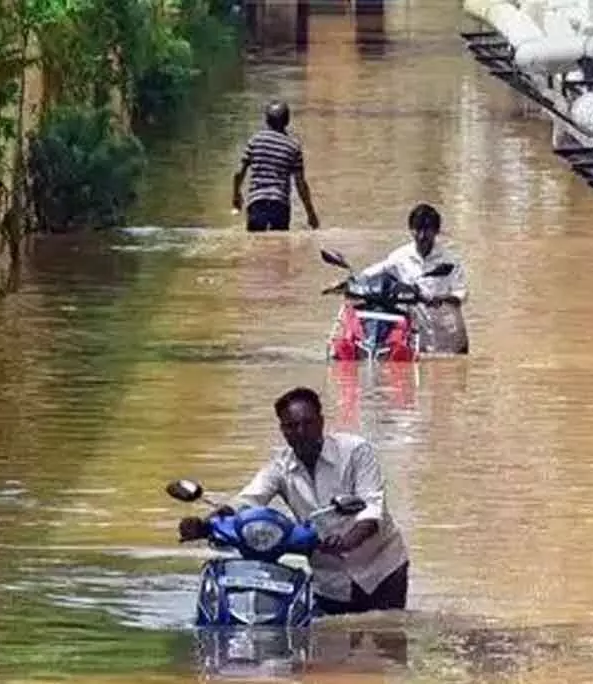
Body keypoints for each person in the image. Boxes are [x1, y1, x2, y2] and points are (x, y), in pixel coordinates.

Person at [181, 386, 409, 615]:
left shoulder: (356, 451)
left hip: (381, 569)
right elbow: (247, 501)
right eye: (291, 426)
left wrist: (348, 541)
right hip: (329, 578)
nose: (301, 432)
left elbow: (371, 507)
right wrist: (205, 525)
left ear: (321, 422)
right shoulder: (280, 468)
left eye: (307, 423)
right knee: (329, 645)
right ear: (282, 430)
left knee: (386, 637)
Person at [356, 202, 469, 354]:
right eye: (417, 229)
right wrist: (348, 282)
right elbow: (372, 273)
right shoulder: (400, 257)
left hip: (450, 336)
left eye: (427, 230)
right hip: (418, 338)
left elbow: (461, 293)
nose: (422, 236)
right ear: (410, 230)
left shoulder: (450, 260)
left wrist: (440, 298)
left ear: (436, 231)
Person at [232, 100, 320, 232]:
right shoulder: (293, 146)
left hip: (257, 202)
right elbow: (300, 184)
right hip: (280, 205)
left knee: (255, 245)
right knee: (279, 247)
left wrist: (236, 195)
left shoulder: (255, 140)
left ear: (266, 120)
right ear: (287, 121)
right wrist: (310, 213)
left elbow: (239, 173)